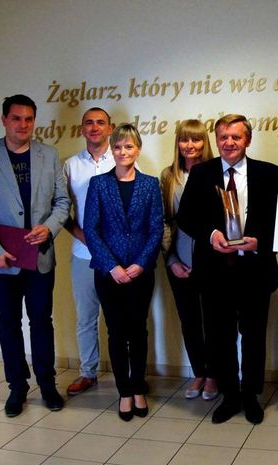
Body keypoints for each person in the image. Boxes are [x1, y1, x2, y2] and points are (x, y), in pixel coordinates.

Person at [176, 114, 278, 425]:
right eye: (223, 137)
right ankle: (230, 396)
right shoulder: (201, 173)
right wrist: (211, 234)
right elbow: (186, 217)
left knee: (253, 338)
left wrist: (260, 241)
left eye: (236, 137)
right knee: (219, 338)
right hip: (215, 272)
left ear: (247, 139)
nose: (229, 142)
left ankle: (250, 396)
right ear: (217, 140)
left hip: (255, 270)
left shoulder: (269, 173)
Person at [0, 94, 70, 416]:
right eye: (16, 118)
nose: (23, 125)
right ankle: (17, 387)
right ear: (4, 120)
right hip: (2, 261)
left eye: (28, 119)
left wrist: (49, 228)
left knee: (41, 322)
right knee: (8, 324)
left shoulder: (49, 155)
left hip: (39, 257)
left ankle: (47, 384)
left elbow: (62, 202)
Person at [83, 124, 163, 421]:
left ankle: (139, 387)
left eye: (128, 146)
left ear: (138, 150)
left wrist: (141, 263)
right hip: (109, 273)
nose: (122, 152)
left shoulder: (150, 184)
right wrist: (112, 266)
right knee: (116, 332)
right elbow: (91, 229)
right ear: (111, 150)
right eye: (117, 147)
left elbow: (156, 228)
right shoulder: (98, 184)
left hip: (141, 271)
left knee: (138, 331)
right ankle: (124, 392)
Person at [160, 119, 218, 401]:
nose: (190, 145)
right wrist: (171, 259)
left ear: (205, 142)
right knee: (189, 320)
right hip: (179, 259)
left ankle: (215, 374)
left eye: (196, 139)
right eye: (184, 139)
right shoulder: (168, 176)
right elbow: (163, 221)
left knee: (214, 320)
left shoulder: (216, 172)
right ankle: (199, 373)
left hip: (211, 260)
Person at [63, 107, 114, 396]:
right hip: (83, 255)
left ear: (110, 128)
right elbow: (60, 209)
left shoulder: (122, 159)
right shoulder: (70, 165)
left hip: (117, 257)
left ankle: (127, 374)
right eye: (89, 123)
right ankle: (88, 372)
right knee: (86, 318)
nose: (95, 127)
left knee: (120, 319)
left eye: (100, 122)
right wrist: (83, 237)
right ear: (82, 128)